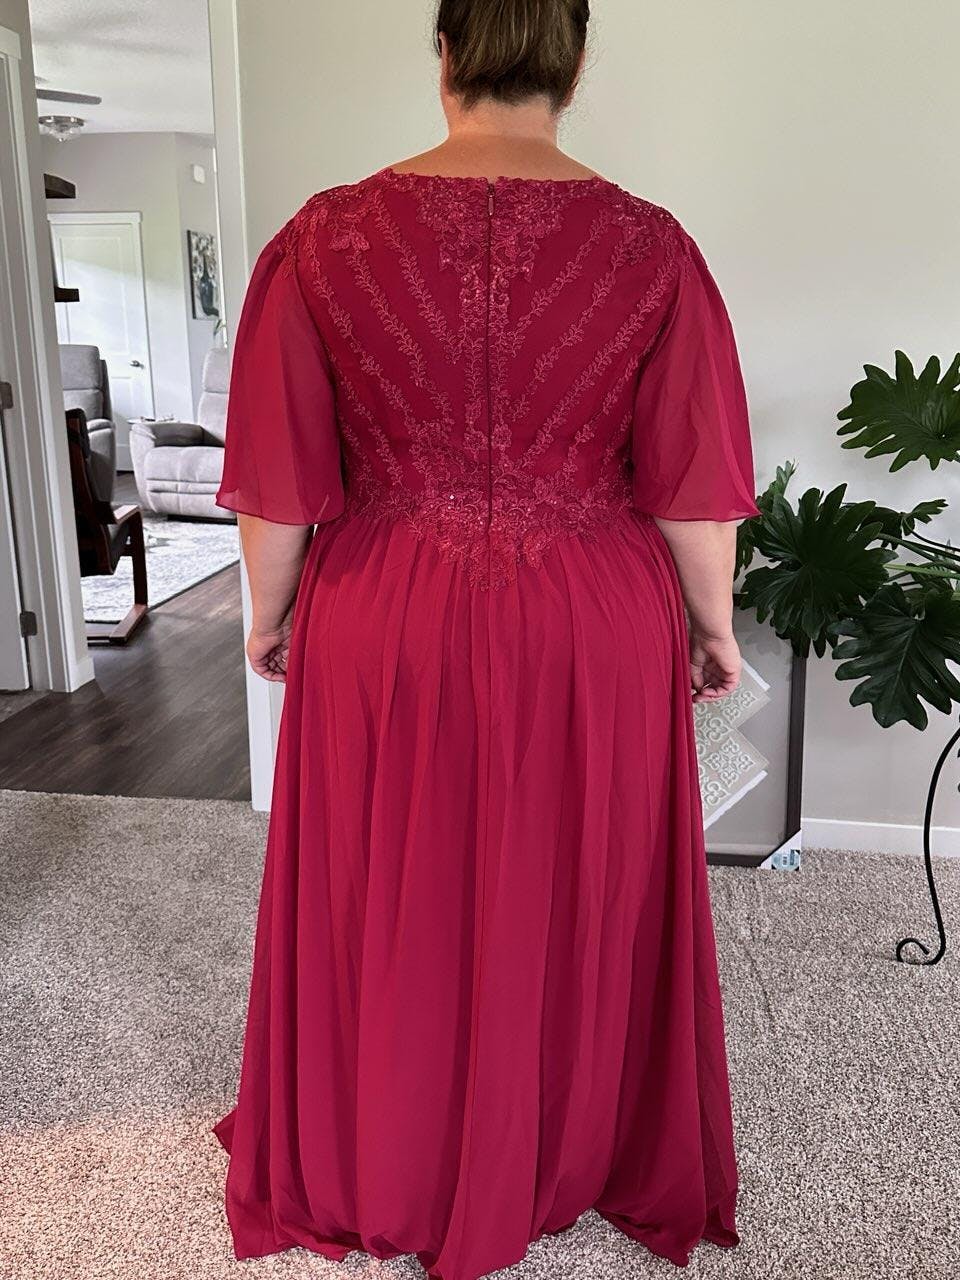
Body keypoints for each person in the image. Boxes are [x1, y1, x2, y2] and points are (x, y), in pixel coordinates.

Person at [211, 2, 760, 1277]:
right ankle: (561, 1142)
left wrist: (270, 614)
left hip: (385, 606)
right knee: (581, 875)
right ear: (574, 62)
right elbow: (692, 488)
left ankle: (385, 1145)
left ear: (446, 54)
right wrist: (714, 629)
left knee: (384, 876)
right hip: (591, 613)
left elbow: (279, 485)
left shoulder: (324, 237)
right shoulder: (653, 247)